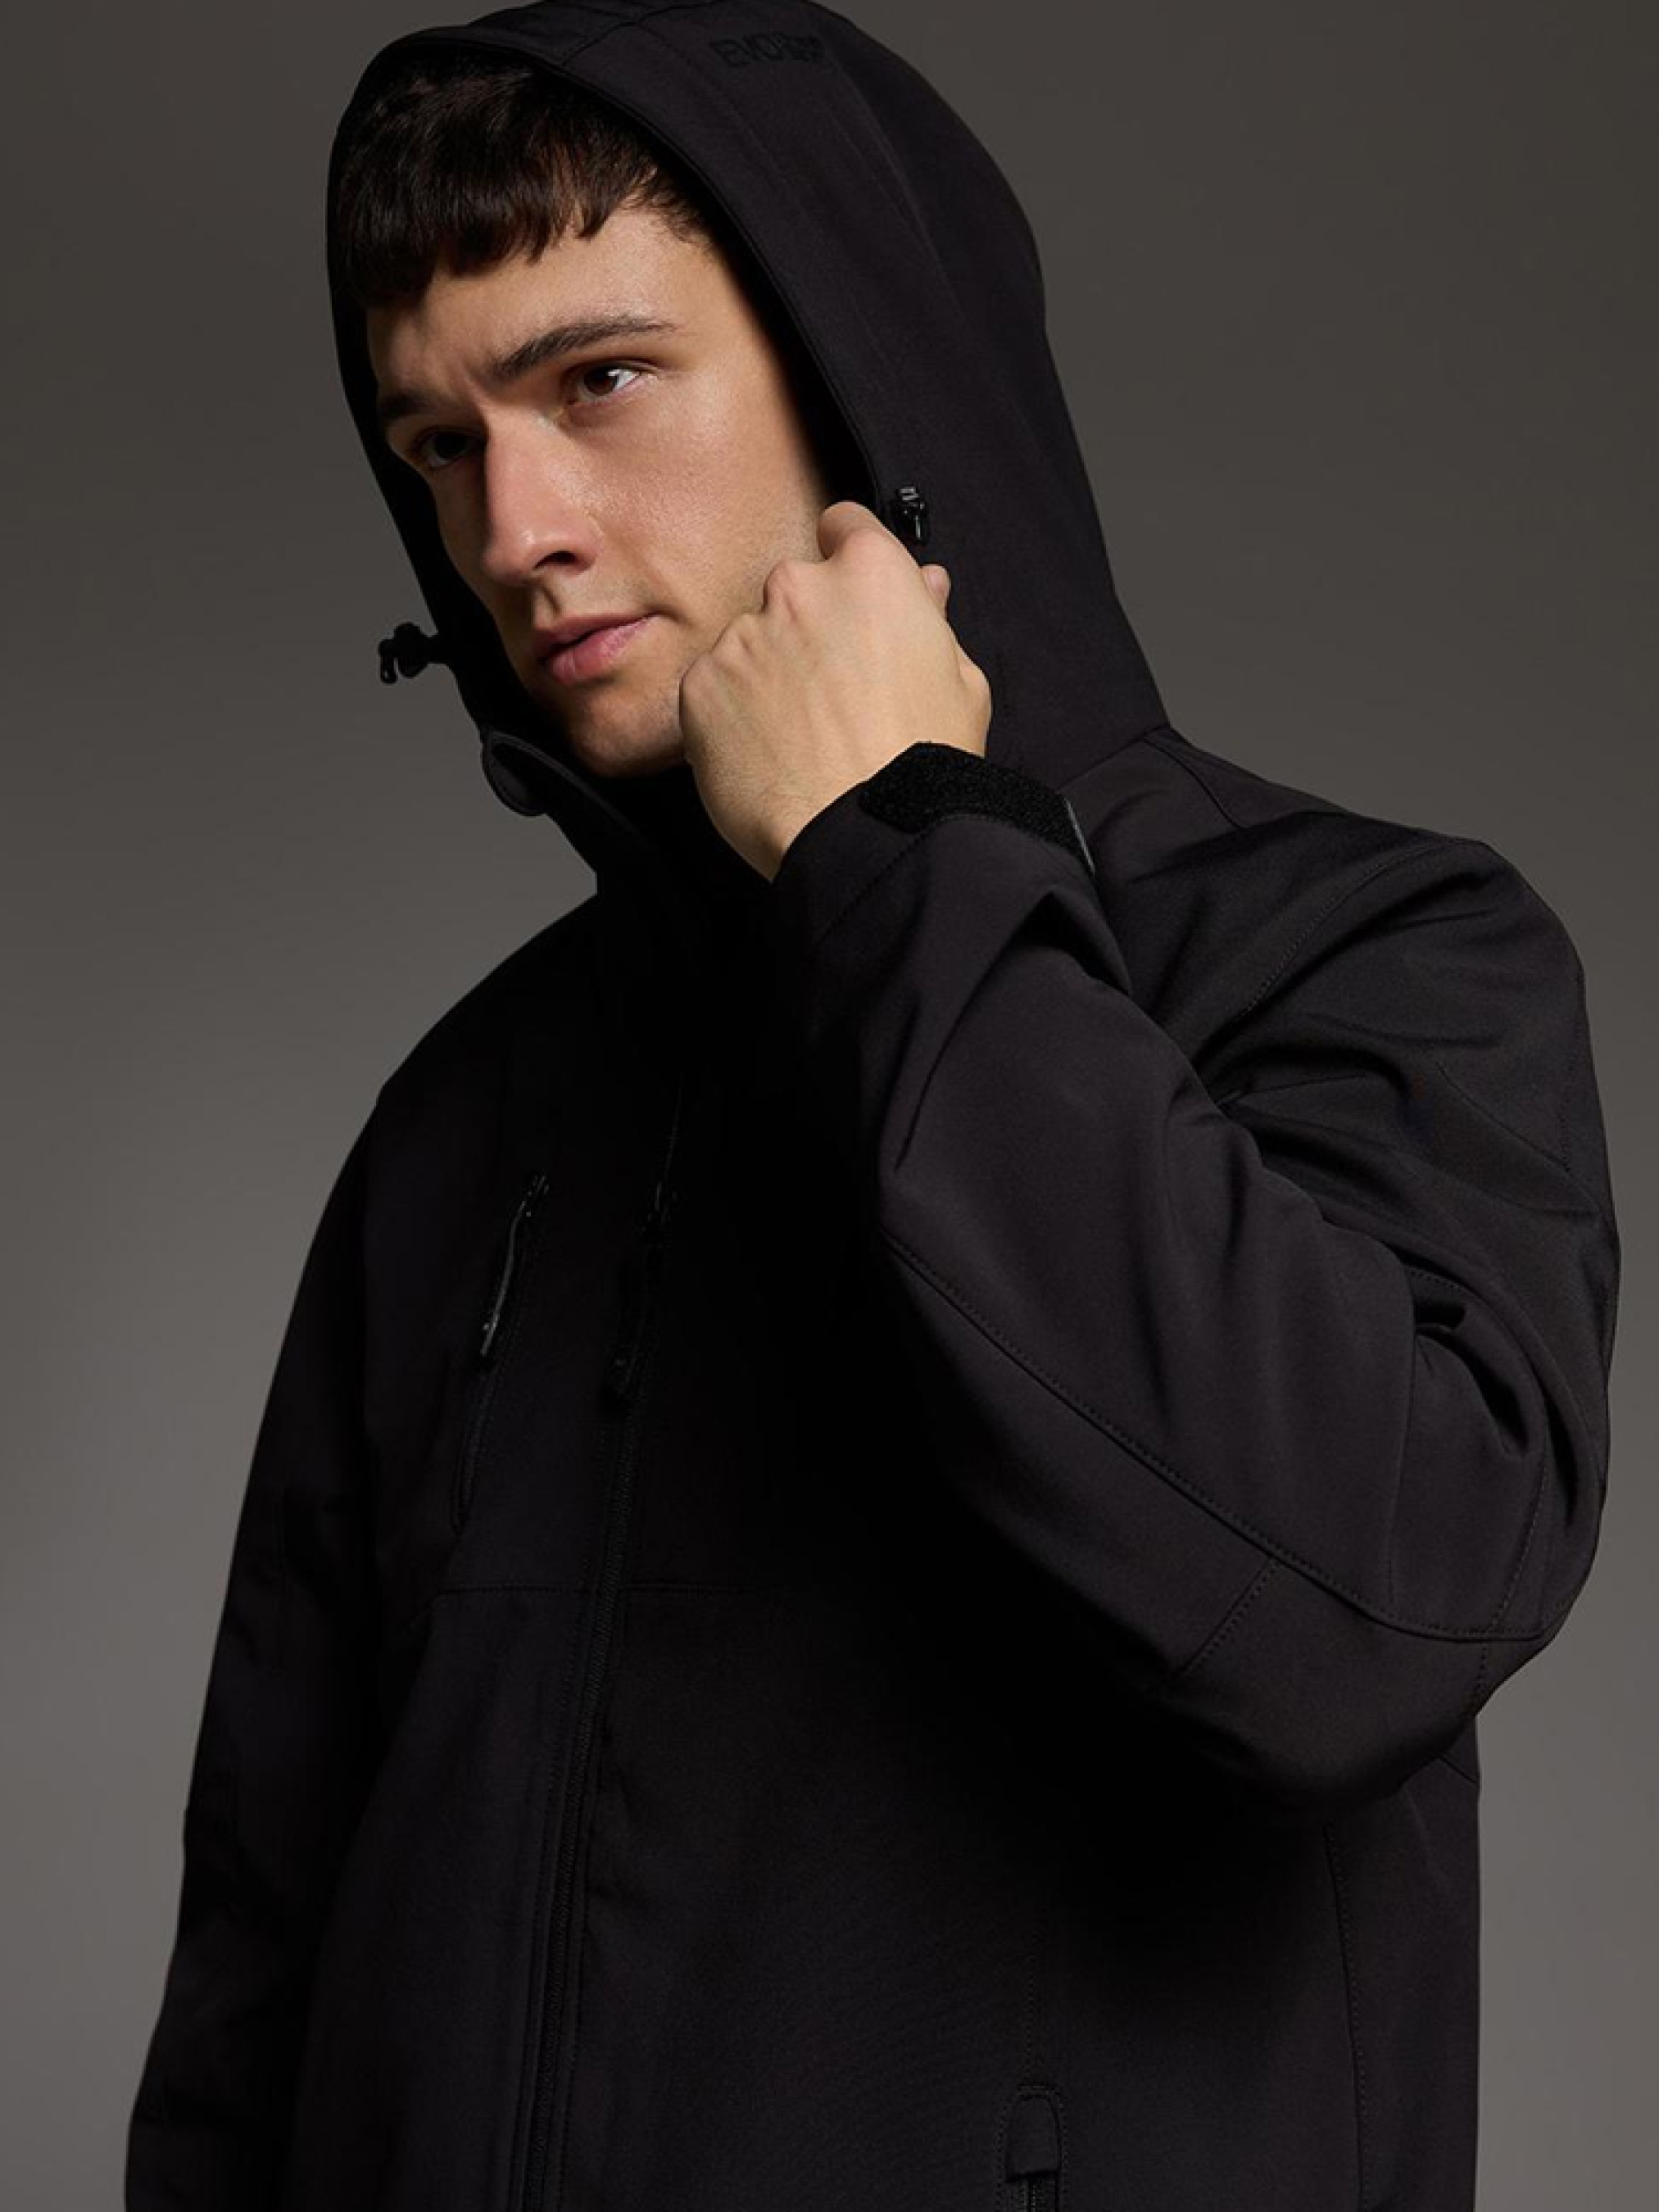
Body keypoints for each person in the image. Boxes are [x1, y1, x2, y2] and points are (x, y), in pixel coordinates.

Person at [125, 4, 1621, 2208]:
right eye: (437, 443)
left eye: (596, 380)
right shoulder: (468, 1118)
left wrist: (899, 856)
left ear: (859, 373)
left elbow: (1350, 1622)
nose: (512, 527)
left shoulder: (1371, 958)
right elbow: (258, 1971)